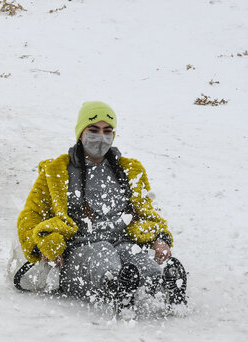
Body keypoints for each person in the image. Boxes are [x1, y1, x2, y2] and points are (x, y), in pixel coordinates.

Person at [17, 101, 187, 311]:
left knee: (132, 253)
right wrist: (44, 248)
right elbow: (30, 216)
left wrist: (159, 239)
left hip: (120, 243)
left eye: (107, 131)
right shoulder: (57, 171)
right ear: (81, 133)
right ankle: (116, 289)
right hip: (77, 255)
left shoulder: (129, 171)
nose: (101, 136)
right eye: (94, 130)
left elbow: (146, 213)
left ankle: (164, 286)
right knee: (103, 252)